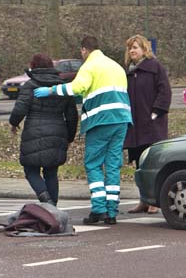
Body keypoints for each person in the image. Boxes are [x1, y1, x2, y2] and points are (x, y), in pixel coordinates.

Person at [34, 36, 132, 225]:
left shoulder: (90, 66)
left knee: (93, 164)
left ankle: (98, 209)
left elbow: (78, 87)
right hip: (122, 120)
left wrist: (52, 91)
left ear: (84, 50)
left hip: (100, 120)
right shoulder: (116, 66)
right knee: (112, 165)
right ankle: (112, 212)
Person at [10, 54, 78, 205]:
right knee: (51, 172)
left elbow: (20, 109)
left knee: (30, 169)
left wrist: (13, 123)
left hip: (34, 130)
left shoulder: (30, 85)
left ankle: (46, 200)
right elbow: (72, 115)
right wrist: (69, 137)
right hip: (57, 131)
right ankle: (52, 208)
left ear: (33, 66)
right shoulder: (62, 86)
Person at [122, 35, 171, 214]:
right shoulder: (128, 71)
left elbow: (165, 91)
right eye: (130, 48)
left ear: (144, 49)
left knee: (153, 164)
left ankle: (154, 201)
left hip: (151, 125)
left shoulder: (155, 67)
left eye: (135, 47)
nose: (132, 51)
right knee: (140, 166)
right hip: (135, 126)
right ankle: (143, 199)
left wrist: (156, 112)